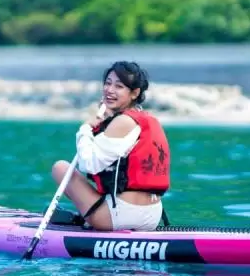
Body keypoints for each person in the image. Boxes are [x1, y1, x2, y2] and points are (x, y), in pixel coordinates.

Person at [50, 61, 170, 231]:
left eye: (119, 86)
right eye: (107, 83)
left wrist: (86, 128)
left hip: (122, 216)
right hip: (152, 217)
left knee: (60, 168)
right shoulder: (145, 119)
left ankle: (90, 219)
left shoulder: (122, 122)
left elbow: (88, 164)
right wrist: (106, 121)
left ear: (135, 93)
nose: (109, 90)